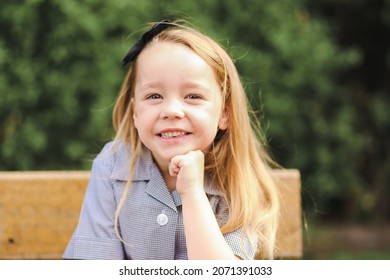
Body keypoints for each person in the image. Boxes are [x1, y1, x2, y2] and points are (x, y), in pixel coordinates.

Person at [63, 20, 279, 260]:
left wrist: (192, 193)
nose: (172, 110)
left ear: (224, 114)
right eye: (154, 95)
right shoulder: (112, 166)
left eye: (193, 96)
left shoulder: (238, 182)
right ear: (135, 113)